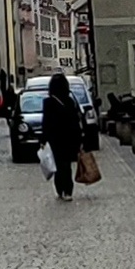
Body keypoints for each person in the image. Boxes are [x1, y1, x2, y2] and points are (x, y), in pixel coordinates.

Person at [42, 71, 83, 203]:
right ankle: (67, 190)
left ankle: (60, 189)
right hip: (69, 137)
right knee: (66, 165)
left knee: (59, 165)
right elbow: (75, 121)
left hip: (55, 138)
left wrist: (43, 139)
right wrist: (79, 139)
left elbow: (46, 122)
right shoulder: (69, 101)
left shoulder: (48, 102)